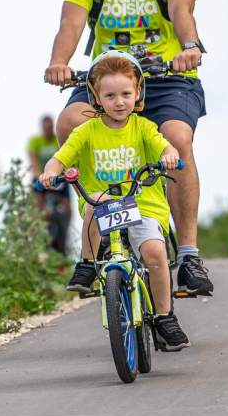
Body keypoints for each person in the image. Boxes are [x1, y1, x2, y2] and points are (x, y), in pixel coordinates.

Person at [43, 0, 213, 296]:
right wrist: (58, 62)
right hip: (109, 79)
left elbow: (181, 10)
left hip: (167, 77)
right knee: (69, 123)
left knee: (175, 138)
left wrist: (189, 47)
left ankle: (188, 254)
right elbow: (72, 24)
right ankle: (95, 244)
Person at [39, 53, 190, 351]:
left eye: (126, 94)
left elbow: (164, 146)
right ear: (96, 97)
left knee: (155, 254)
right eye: (110, 95)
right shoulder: (86, 132)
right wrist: (50, 172)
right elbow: (60, 158)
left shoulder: (143, 128)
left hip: (141, 204)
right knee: (95, 204)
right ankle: (86, 263)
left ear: (137, 93)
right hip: (104, 204)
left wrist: (169, 155)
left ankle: (164, 317)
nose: (119, 102)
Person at [28, 115, 72, 254]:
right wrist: (38, 174)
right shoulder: (35, 141)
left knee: (67, 207)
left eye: (49, 128)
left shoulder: (56, 139)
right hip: (41, 175)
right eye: (45, 128)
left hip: (57, 177)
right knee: (36, 196)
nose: (47, 130)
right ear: (42, 128)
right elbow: (34, 161)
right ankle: (38, 221)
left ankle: (66, 229)